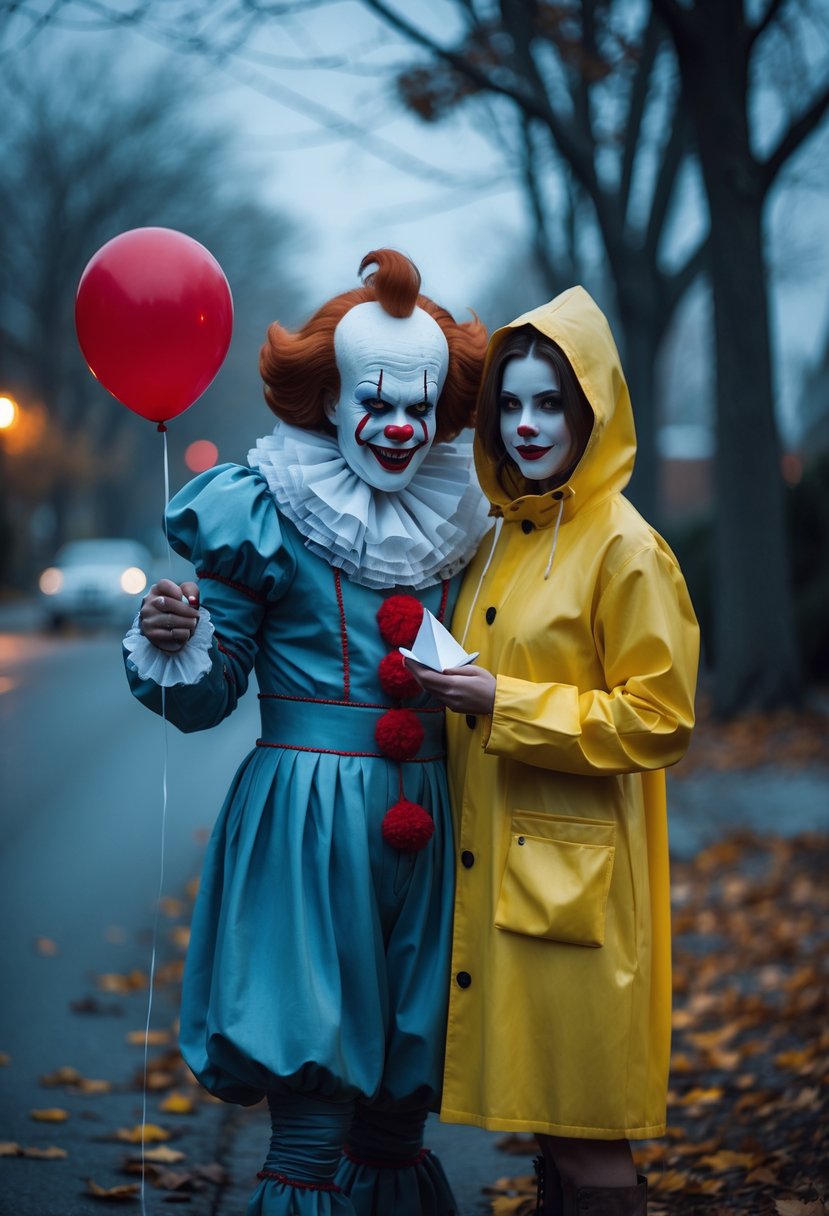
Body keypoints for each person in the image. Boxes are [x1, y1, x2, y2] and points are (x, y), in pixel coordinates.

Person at [123, 248, 490, 1216]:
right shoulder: (269, 505)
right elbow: (208, 693)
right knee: (315, 1117)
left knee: (399, 1107)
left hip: (437, 814)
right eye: (376, 401)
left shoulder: (471, 507)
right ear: (328, 397)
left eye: (418, 403)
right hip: (305, 825)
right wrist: (181, 635)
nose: (401, 426)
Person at [406, 287, 700, 1216]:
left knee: (588, 1138)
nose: (526, 426)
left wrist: (504, 701)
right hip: (500, 873)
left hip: (579, 892)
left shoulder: (627, 548)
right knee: (549, 1131)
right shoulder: (499, 535)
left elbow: (659, 717)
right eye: (511, 405)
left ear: (591, 410)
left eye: (550, 404)